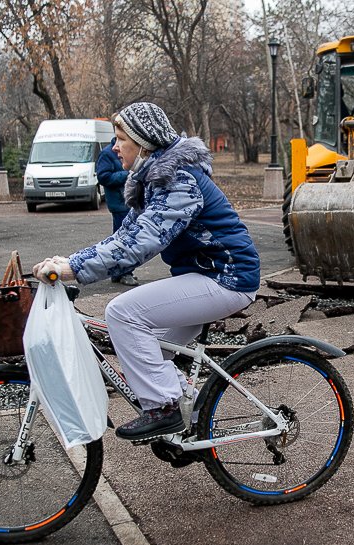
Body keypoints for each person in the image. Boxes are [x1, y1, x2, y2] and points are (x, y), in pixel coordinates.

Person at [32, 102, 260, 441]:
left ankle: (164, 408)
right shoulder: (154, 182)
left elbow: (142, 242)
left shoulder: (178, 181)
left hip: (227, 278)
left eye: (120, 138)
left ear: (143, 142)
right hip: (202, 277)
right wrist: (71, 261)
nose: (114, 147)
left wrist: (74, 270)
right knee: (150, 351)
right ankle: (194, 417)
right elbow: (124, 236)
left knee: (122, 313)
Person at [95, 137, 138, 286]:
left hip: (128, 201)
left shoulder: (129, 148)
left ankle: (119, 272)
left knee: (125, 237)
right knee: (124, 239)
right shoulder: (107, 153)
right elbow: (103, 177)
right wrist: (127, 175)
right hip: (119, 203)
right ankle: (124, 273)